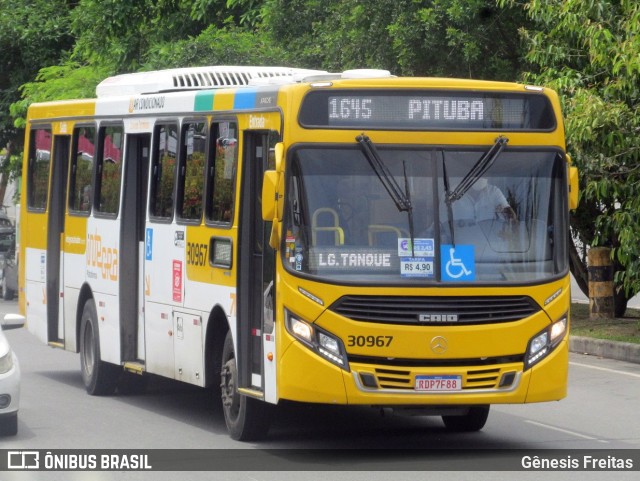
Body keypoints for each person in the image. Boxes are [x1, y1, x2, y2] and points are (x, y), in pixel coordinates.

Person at [443, 177, 516, 225]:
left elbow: (509, 214)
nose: (477, 193)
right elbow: (442, 220)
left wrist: (509, 214)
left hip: (487, 244)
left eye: (481, 190)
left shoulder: (493, 192)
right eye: (473, 191)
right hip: (459, 244)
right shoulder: (452, 193)